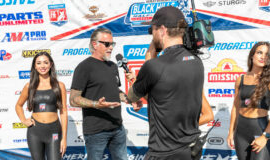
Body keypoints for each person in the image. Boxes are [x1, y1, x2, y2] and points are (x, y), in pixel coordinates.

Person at [125, 6, 206, 160]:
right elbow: (165, 100)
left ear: (162, 30)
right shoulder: (197, 62)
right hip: (191, 149)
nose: (152, 34)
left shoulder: (154, 65)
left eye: (153, 30)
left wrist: (150, 55)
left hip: (164, 153)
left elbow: (132, 96)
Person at [69, 28, 141, 160]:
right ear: (94, 44)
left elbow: (115, 91)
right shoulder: (84, 67)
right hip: (96, 131)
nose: (111, 47)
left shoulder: (113, 66)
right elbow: (73, 99)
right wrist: (96, 104)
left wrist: (129, 99)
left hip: (117, 127)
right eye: (107, 44)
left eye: (112, 44)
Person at [227, 42, 270, 160]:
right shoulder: (240, 80)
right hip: (240, 133)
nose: (263, 56)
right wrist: (230, 132)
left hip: (261, 131)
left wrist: (265, 136)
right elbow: (235, 107)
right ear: (252, 55)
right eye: (259, 52)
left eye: (267, 54)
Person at [15, 52, 68, 160]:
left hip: (54, 131)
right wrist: (24, 120)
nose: (42, 66)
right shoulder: (29, 86)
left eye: (45, 62)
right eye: (38, 63)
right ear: (35, 66)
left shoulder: (60, 86)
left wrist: (64, 138)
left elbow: (64, 112)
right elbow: (18, 105)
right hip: (35, 132)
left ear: (51, 64)